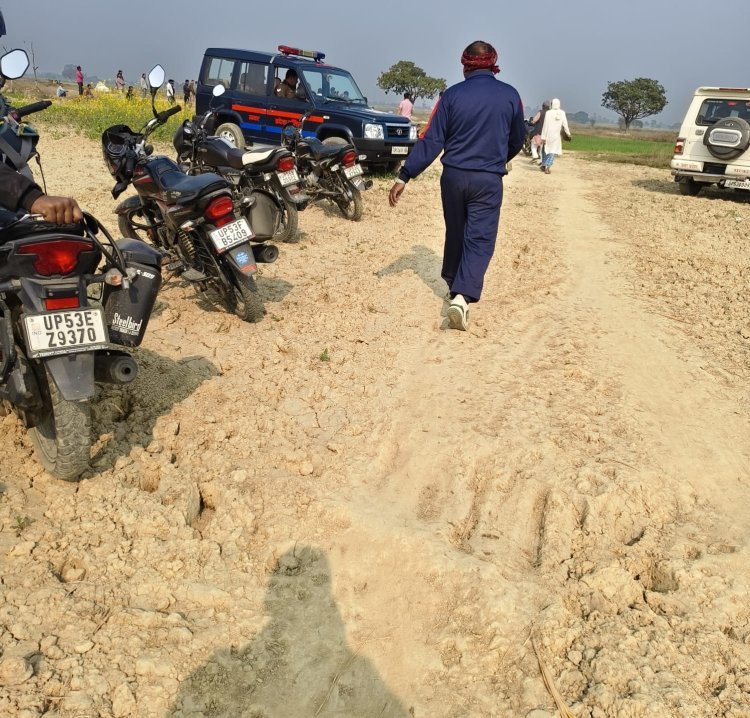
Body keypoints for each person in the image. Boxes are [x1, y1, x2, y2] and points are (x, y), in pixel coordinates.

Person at [388, 40, 525, 332]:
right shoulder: (510, 96)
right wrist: (499, 158)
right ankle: (462, 297)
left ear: (465, 65)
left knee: (457, 231)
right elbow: (517, 139)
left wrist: (405, 175)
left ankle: (454, 283)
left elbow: (432, 139)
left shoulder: (451, 96)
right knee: (480, 237)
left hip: (453, 177)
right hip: (488, 179)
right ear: (493, 64)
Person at [539, 98, 570, 174]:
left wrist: (543, 137)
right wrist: (568, 134)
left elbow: (545, 125)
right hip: (556, 136)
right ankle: (548, 167)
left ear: (552, 104)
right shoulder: (562, 113)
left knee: (545, 150)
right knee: (552, 151)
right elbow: (565, 124)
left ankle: (543, 165)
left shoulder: (548, 113)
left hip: (548, 135)